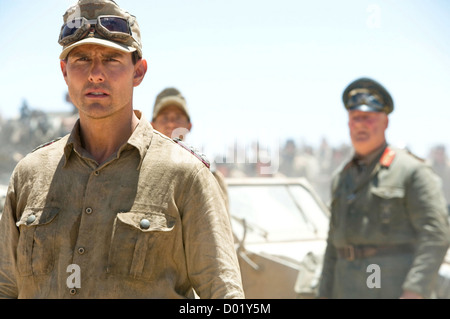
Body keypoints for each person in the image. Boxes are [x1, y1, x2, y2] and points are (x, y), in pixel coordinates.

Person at [0, 0, 244, 299]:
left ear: (138, 72)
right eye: (81, 59)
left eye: (112, 59)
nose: (95, 74)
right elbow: (6, 287)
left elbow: (223, 297)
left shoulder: (186, 175)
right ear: (65, 72)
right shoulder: (30, 175)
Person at [317, 77, 450, 299]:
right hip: (345, 289)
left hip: (389, 288)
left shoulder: (411, 171)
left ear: (385, 122)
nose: (360, 124)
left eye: (368, 118)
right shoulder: (341, 177)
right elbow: (333, 246)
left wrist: (415, 291)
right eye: (355, 118)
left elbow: (436, 235)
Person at [151, 87, 230, 212]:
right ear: (152, 125)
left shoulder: (207, 174)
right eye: (165, 118)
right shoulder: (140, 170)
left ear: (189, 126)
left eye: (178, 118)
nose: (171, 124)